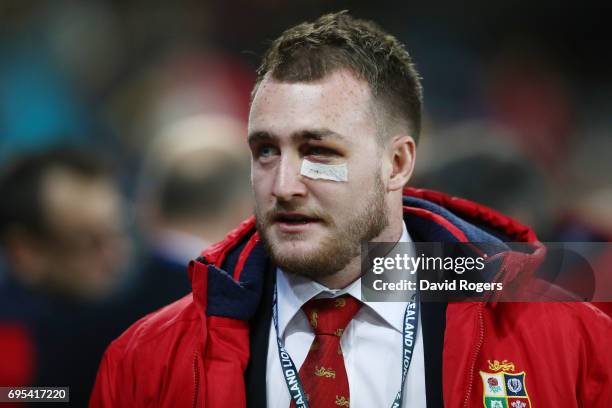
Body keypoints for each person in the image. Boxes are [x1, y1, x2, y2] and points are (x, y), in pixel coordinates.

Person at [90, 12, 611, 408]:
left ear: (398, 163)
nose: (284, 184)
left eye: (319, 152)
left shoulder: (573, 341)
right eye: (265, 150)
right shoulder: (145, 362)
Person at [0, 148, 131, 406]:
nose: (113, 257)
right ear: (25, 251)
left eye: (118, 234)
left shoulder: (137, 314)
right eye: (87, 242)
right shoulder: (11, 352)